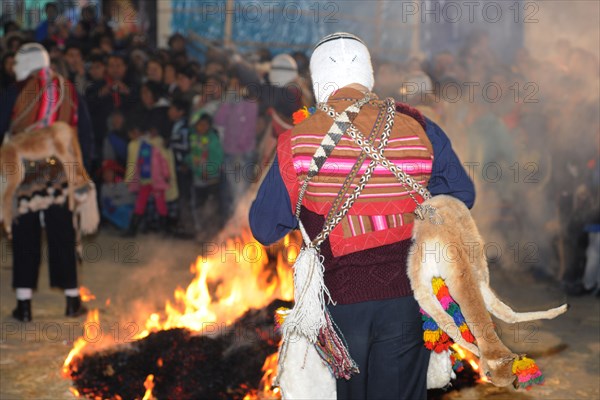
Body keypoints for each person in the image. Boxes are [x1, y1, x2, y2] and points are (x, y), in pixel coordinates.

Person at [249, 33, 475, 399]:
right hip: (409, 298)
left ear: (318, 83)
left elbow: (264, 226)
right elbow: (462, 196)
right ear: (368, 76)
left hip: (342, 305)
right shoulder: (419, 126)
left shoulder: (298, 141)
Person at [0, 43, 94, 322]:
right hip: (61, 170)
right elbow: (84, 131)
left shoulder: (14, 91)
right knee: (63, 234)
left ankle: (24, 306)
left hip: (23, 168)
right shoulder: (70, 90)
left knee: (24, 235)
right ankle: (72, 302)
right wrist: (83, 167)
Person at [123, 118, 172, 236]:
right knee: (140, 204)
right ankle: (132, 230)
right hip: (144, 181)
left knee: (160, 205)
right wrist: (129, 179)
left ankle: (165, 230)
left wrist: (166, 174)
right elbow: (132, 163)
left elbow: (163, 160)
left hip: (157, 180)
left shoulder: (156, 144)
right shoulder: (134, 146)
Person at [186, 114, 224, 238]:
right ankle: (202, 230)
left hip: (211, 179)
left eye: (205, 124)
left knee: (211, 205)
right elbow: (191, 155)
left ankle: (213, 233)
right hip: (198, 178)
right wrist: (189, 162)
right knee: (198, 205)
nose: (202, 127)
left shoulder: (213, 140)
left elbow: (218, 158)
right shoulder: (193, 138)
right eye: (200, 124)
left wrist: (209, 170)